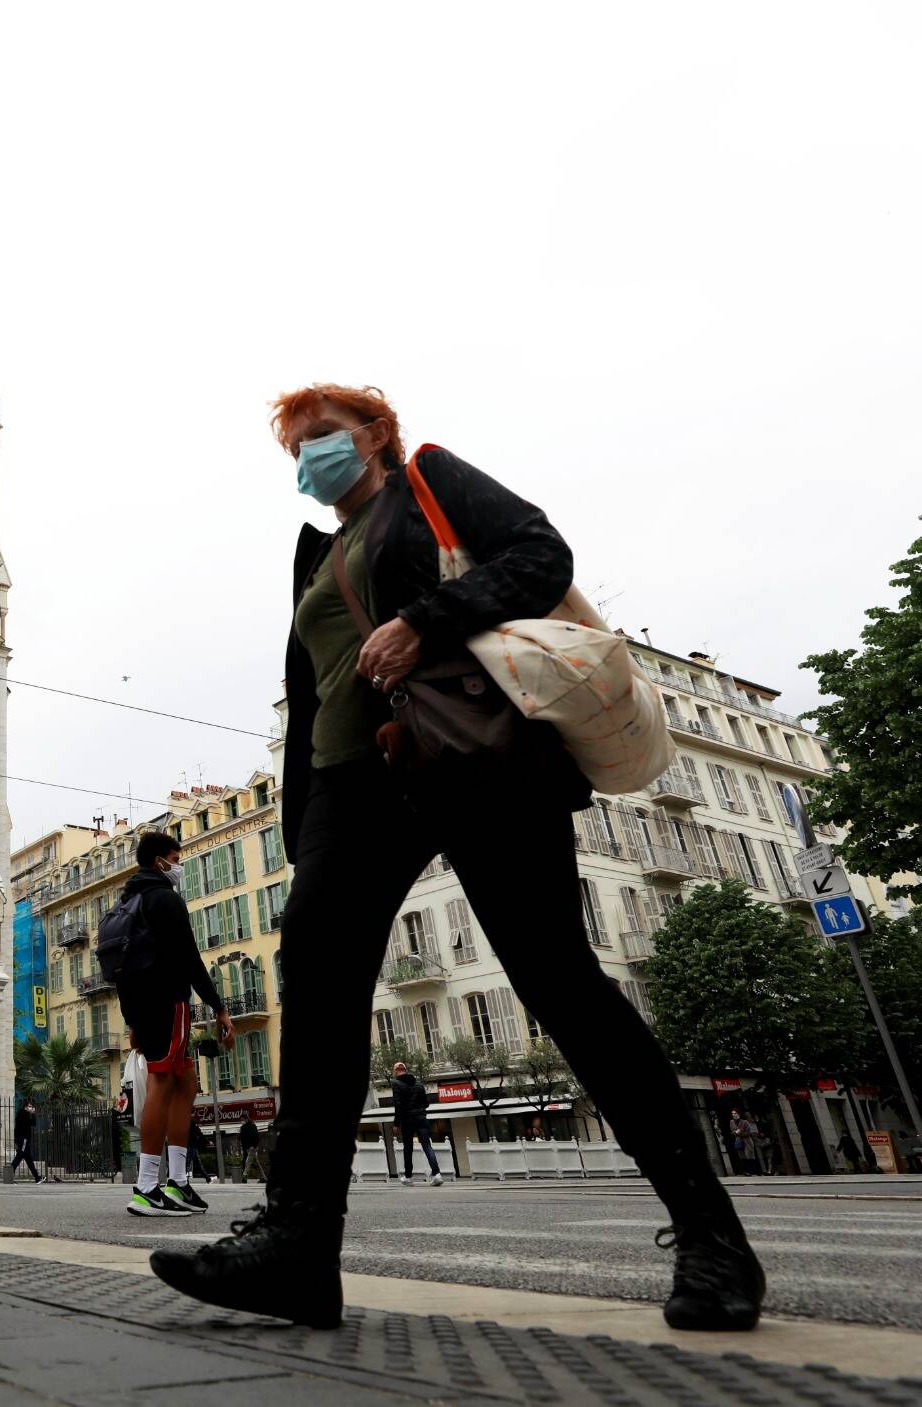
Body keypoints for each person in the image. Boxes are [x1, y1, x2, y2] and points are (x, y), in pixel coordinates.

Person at [148, 384, 765, 1332]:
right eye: (295, 448)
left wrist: (426, 617)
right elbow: (312, 702)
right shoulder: (316, 556)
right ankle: (299, 1247)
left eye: (325, 437)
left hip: (472, 749)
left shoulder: (428, 479)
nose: (311, 456)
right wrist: (301, 820)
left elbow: (541, 554)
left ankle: (713, 1237)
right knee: (315, 970)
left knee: (558, 977)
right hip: (356, 786)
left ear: (375, 437)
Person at [115, 831, 234, 1216]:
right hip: (168, 1001)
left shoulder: (129, 901)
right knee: (164, 1082)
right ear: (160, 860)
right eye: (176, 856)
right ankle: (147, 1186)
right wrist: (218, 1007)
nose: (179, 863)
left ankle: (179, 1181)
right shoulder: (165, 899)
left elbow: (122, 970)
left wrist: (132, 1019)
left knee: (186, 1083)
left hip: (144, 1006)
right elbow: (189, 957)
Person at [390, 1062, 443, 1186]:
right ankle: (437, 1174)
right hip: (421, 1118)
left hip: (407, 1120)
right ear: (405, 1070)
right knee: (427, 1145)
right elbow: (426, 1103)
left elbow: (398, 1105)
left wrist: (396, 1123)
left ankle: (408, 1177)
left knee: (408, 1148)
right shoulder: (418, 1084)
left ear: (396, 1071)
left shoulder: (396, 1084)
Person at [7, 1098, 44, 1183]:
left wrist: (16, 1140)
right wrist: (33, 1114)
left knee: (29, 1159)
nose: (31, 1108)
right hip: (23, 1139)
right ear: (25, 1107)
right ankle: (9, 1176)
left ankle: (37, 1178)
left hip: (24, 1139)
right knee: (19, 1156)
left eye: (31, 1106)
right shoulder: (23, 1114)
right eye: (29, 1106)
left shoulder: (22, 1113)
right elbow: (33, 1123)